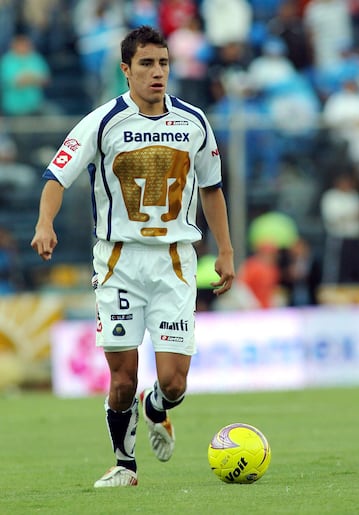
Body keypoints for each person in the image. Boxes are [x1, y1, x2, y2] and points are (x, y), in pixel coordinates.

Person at [30, 25, 234, 488]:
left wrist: (225, 249)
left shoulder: (193, 122)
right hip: (119, 263)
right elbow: (55, 176)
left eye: (163, 63)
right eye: (146, 63)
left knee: (175, 381)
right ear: (126, 70)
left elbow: (213, 188)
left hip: (176, 261)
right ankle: (125, 465)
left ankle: (157, 408)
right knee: (122, 379)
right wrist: (45, 224)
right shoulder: (102, 121)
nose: (157, 72)